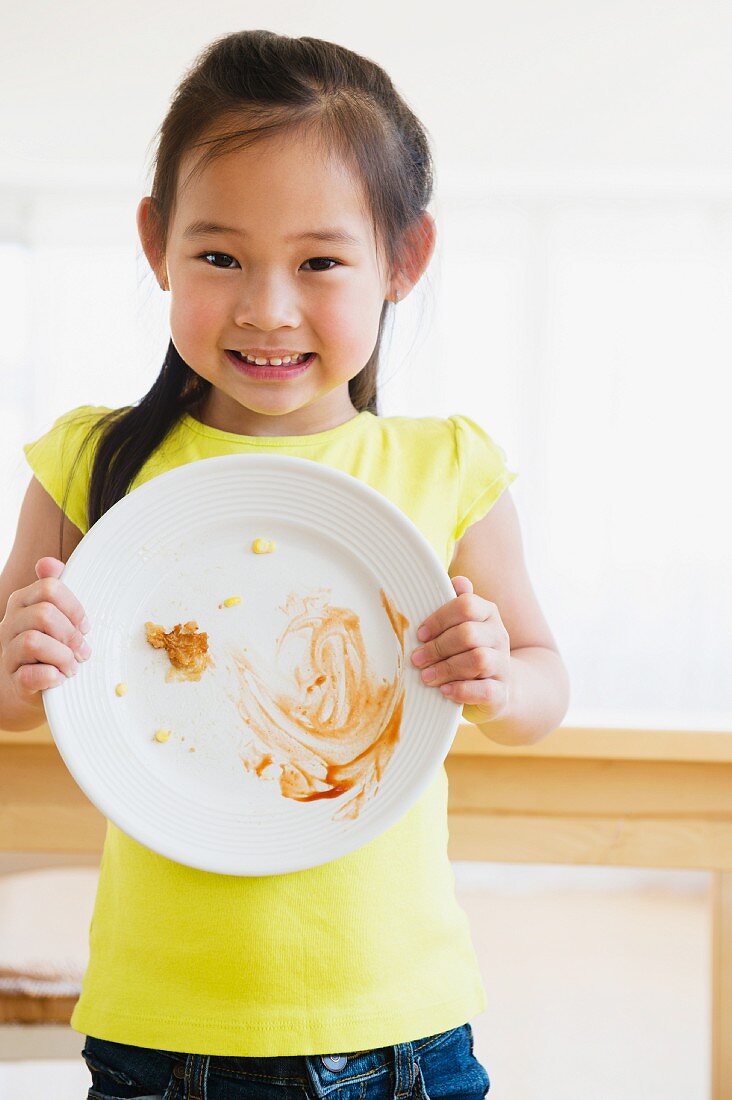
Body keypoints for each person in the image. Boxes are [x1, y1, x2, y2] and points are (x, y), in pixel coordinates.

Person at [0, 29, 570, 1100]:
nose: (267, 307)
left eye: (319, 261)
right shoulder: (90, 463)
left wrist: (502, 674)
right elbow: (10, 700)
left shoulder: (442, 464)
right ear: (156, 243)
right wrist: (18, 657)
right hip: (160, 1026)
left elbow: (544, 685)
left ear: (404, 257)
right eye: (219, 256)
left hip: (400, 1020)